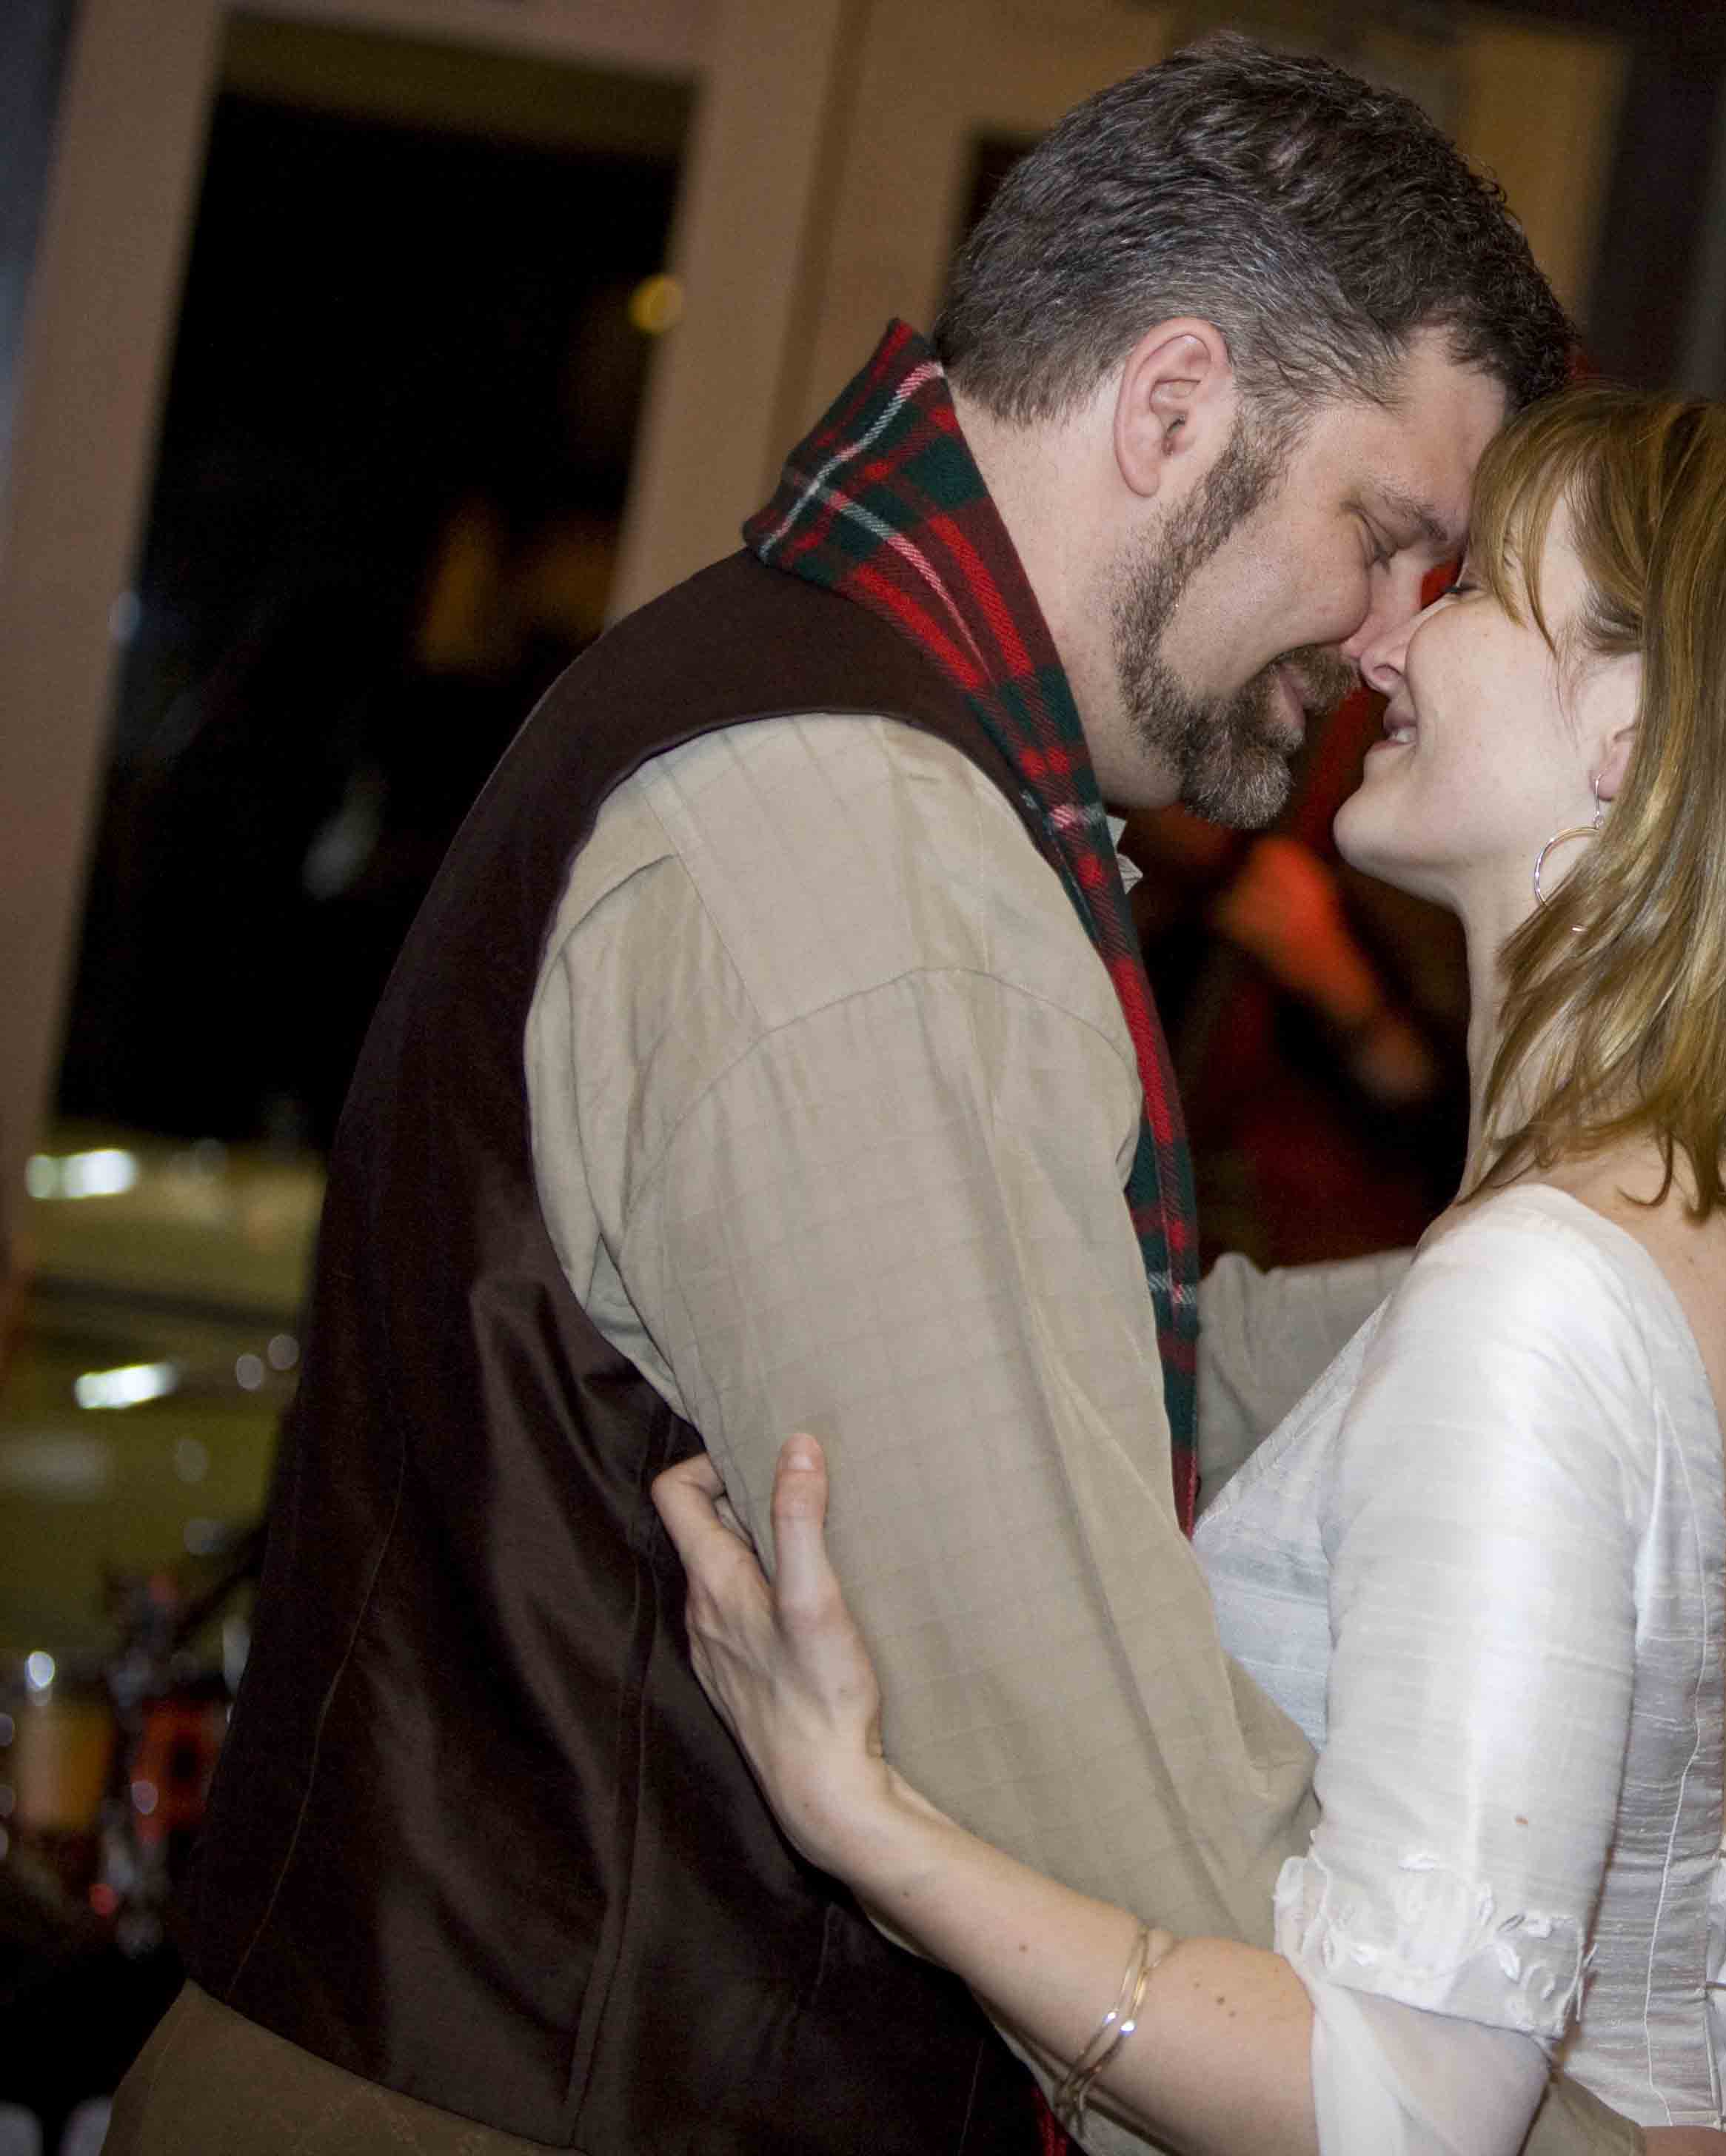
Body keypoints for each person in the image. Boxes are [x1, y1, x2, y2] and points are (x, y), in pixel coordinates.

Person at [104, 40, 1613, 2156]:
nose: (1395, 639)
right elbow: (1085, 1781)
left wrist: (1601, 1301)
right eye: (1389, 537)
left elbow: (1102, 1356)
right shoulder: (859, 837)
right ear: (1173, 405)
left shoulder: (827, 715)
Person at [651, 386, 1726, 2154]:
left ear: (1632, 726)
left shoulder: (1539, 1299)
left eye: (1476, 589)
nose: (1392, 636)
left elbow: (1405, 2103)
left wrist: (868, 1824)